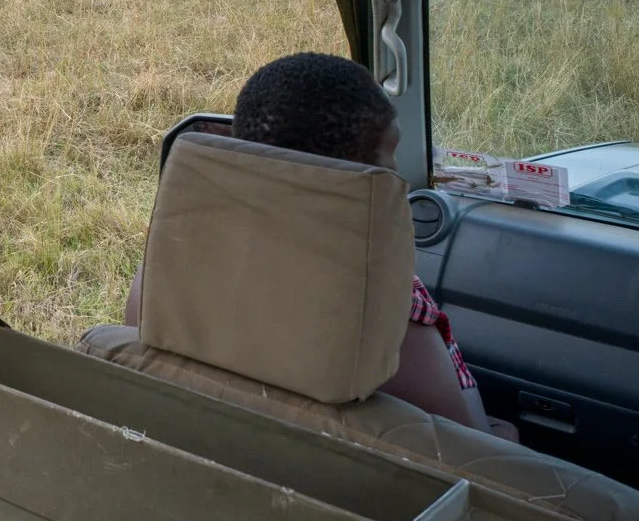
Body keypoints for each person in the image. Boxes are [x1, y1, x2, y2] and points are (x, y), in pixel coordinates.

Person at [126, 51, 517, 440]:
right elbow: (464, 449)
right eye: (389, 154)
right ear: (351, 178)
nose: (397, 172)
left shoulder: (166, 266)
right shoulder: (381, 306)